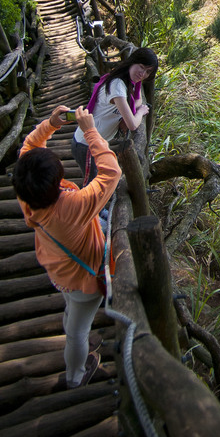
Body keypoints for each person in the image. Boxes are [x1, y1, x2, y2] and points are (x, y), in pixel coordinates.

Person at [13, 105, 121, 388]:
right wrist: (90, 130)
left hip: (57, 267)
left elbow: (28, 147)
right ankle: (76, 376)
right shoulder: (72, 206)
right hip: (83, 279)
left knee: (71, 311)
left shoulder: (26, 194)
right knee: (78, 332)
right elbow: (111, 172)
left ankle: (70, 325)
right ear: (55, 182)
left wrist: (49, 124)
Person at [71, 47, 158, 185]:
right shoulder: (118, 85)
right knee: (92, 187)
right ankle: (94, 207)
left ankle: (100, 206)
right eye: (141, 67)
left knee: (101, 181)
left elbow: (136, 101)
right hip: (86, 145)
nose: (143, 73)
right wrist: (141, 112)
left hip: (95, 142)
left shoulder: (128, 81)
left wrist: (133, 109)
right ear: (132, 62)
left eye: (148, 72)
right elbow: (133, 124)